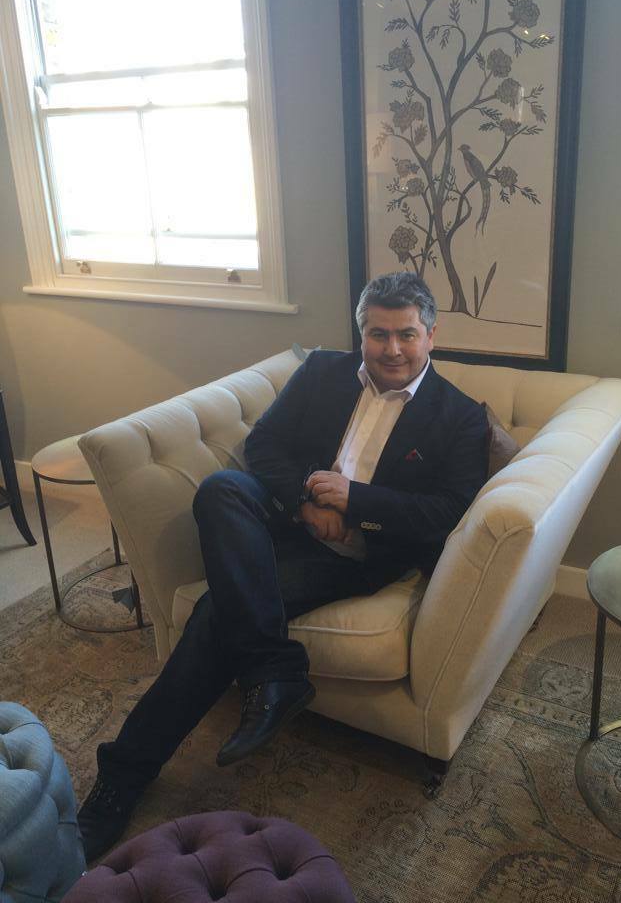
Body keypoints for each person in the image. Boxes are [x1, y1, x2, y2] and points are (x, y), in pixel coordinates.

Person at [77, 271, 489, 861]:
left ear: (431, 335)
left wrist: (355, 501)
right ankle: (274, 669)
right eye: (378, 334)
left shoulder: (461, 416)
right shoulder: (322, 370)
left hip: (357, 554)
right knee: (222, 488)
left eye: (406, 334)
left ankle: (122, 777)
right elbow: (264, 443)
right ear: (361, 332)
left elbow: (446, 513)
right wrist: (305, 501)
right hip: (286, 518)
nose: (392, 349)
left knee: (217, 613)